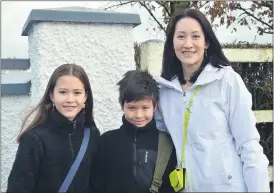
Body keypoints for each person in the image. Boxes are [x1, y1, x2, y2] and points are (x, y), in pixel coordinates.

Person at [154, 8, 270, 192]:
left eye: (196, 36)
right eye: (181, 36)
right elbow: (159, 135)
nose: (188, 44)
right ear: (172, 42)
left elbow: (249, 145)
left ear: (207, 42)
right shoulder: (166, 91)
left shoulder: (227, 82)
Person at [7, 64, 100, 193]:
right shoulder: (34, 138)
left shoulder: (92, 134)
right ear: (52, 95)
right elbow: (18, 188)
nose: (70, 99)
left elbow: (95, 183)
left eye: (77, 93)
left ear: (85, 97)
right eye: (63, 92)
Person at [91, 70, 177, 193]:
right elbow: (96, 185)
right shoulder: (106, 141)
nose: (138, 115)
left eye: (145, 107)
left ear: (155, 106)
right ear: (122, 105)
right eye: (132, 108)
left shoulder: (167, 143)